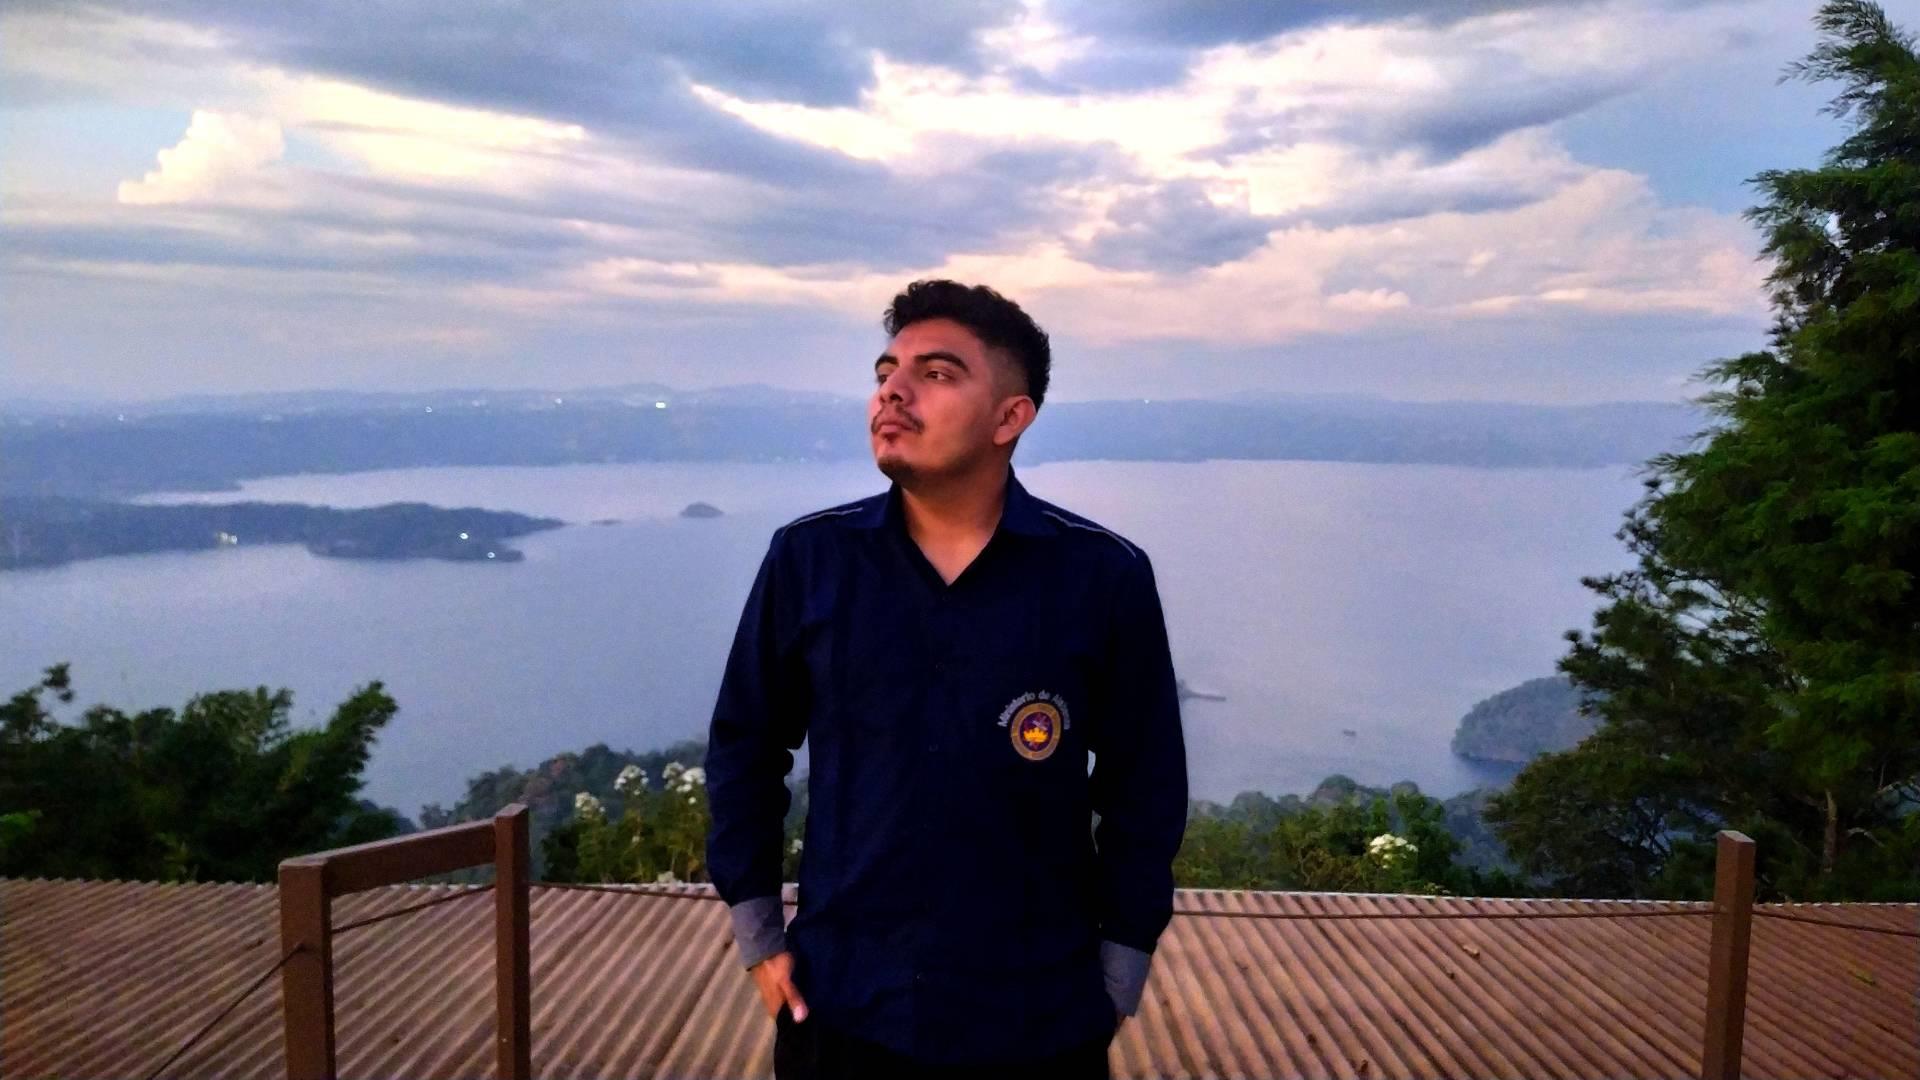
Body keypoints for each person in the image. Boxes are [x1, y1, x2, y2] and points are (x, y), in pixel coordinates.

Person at [704, 279, 1189, 1079]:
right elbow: (745, 745)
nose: (891, 391)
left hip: (1040, 1019)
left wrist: (1120, 970)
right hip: (843, 1008)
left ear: (1009, 418)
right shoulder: (812, 560)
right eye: (886, 371)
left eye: (935, 373)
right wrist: (759, 932)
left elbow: (1146, 786)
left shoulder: (1101, 577)